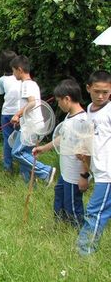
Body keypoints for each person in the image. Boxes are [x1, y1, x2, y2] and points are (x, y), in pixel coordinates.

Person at [33, 79, 88, 227]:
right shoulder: (69, 118)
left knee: (73, 206)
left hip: (74, 175)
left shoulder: (83, 121)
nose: (58, 104)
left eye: (59, 101)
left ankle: (77, 231)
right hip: (65, 173)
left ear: (67, 99)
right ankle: (59, 226)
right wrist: (44, 148)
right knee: (59, 196)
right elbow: (62, 137)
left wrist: (84, 175)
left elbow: (87, 151)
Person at [77, 70, 111, 255]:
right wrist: (85, 172)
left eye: (105, 92)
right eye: (97, 91)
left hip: (108, 173)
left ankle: (84, 253)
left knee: (94, 212)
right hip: (98, 171)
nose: (100, 96)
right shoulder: (89, 110)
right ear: (88, 88)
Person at [10, 55, 55, 184]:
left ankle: (46, 171)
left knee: (17, 153)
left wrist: (18, 114)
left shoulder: (26, 84)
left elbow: (32, 103)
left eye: (13, 71)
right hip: (34, 124)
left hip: (32, 126)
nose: (13, 74)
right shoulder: (33, 84)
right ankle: (29, 184)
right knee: (26, 155)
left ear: (19, 70)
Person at [0, 50, 21, 173]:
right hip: (20, 113)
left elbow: (2, 94)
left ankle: (8, 167)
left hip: (6, 113)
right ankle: (23, 165)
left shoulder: (2, 80)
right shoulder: (21, 77)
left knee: (7, 140)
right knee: (21, 140)